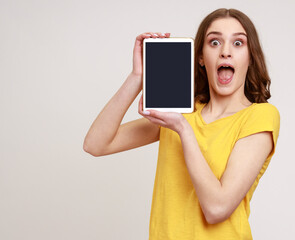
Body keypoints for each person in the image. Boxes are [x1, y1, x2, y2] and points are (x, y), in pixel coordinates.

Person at [84, 8, 280, 240]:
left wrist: (183, 129)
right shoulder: (180, 111)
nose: (225, 52)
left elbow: (217, 209)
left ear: (250, 56)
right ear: (200, 57)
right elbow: (96, 144)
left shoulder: (260, 116)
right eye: (214, 42)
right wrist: (137, 77)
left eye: (238, 43)